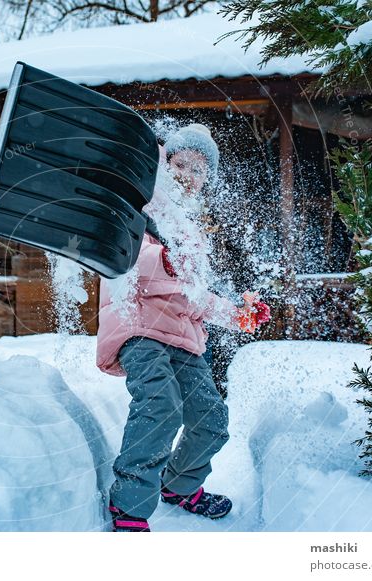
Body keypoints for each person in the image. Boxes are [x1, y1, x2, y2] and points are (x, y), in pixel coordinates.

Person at [96, 123, 270, 532]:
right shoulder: (143, 201)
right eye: (181, 165)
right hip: (139, 328)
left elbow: (192, 294)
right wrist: (168, 265)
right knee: (160, 406)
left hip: (183, 336)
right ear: (164, 163)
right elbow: (131, 263)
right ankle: (130, 508)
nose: (188, 176)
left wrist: (236, 313)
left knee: (210, 419)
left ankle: (179, 485)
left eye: (199, 170)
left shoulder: (190, 228)